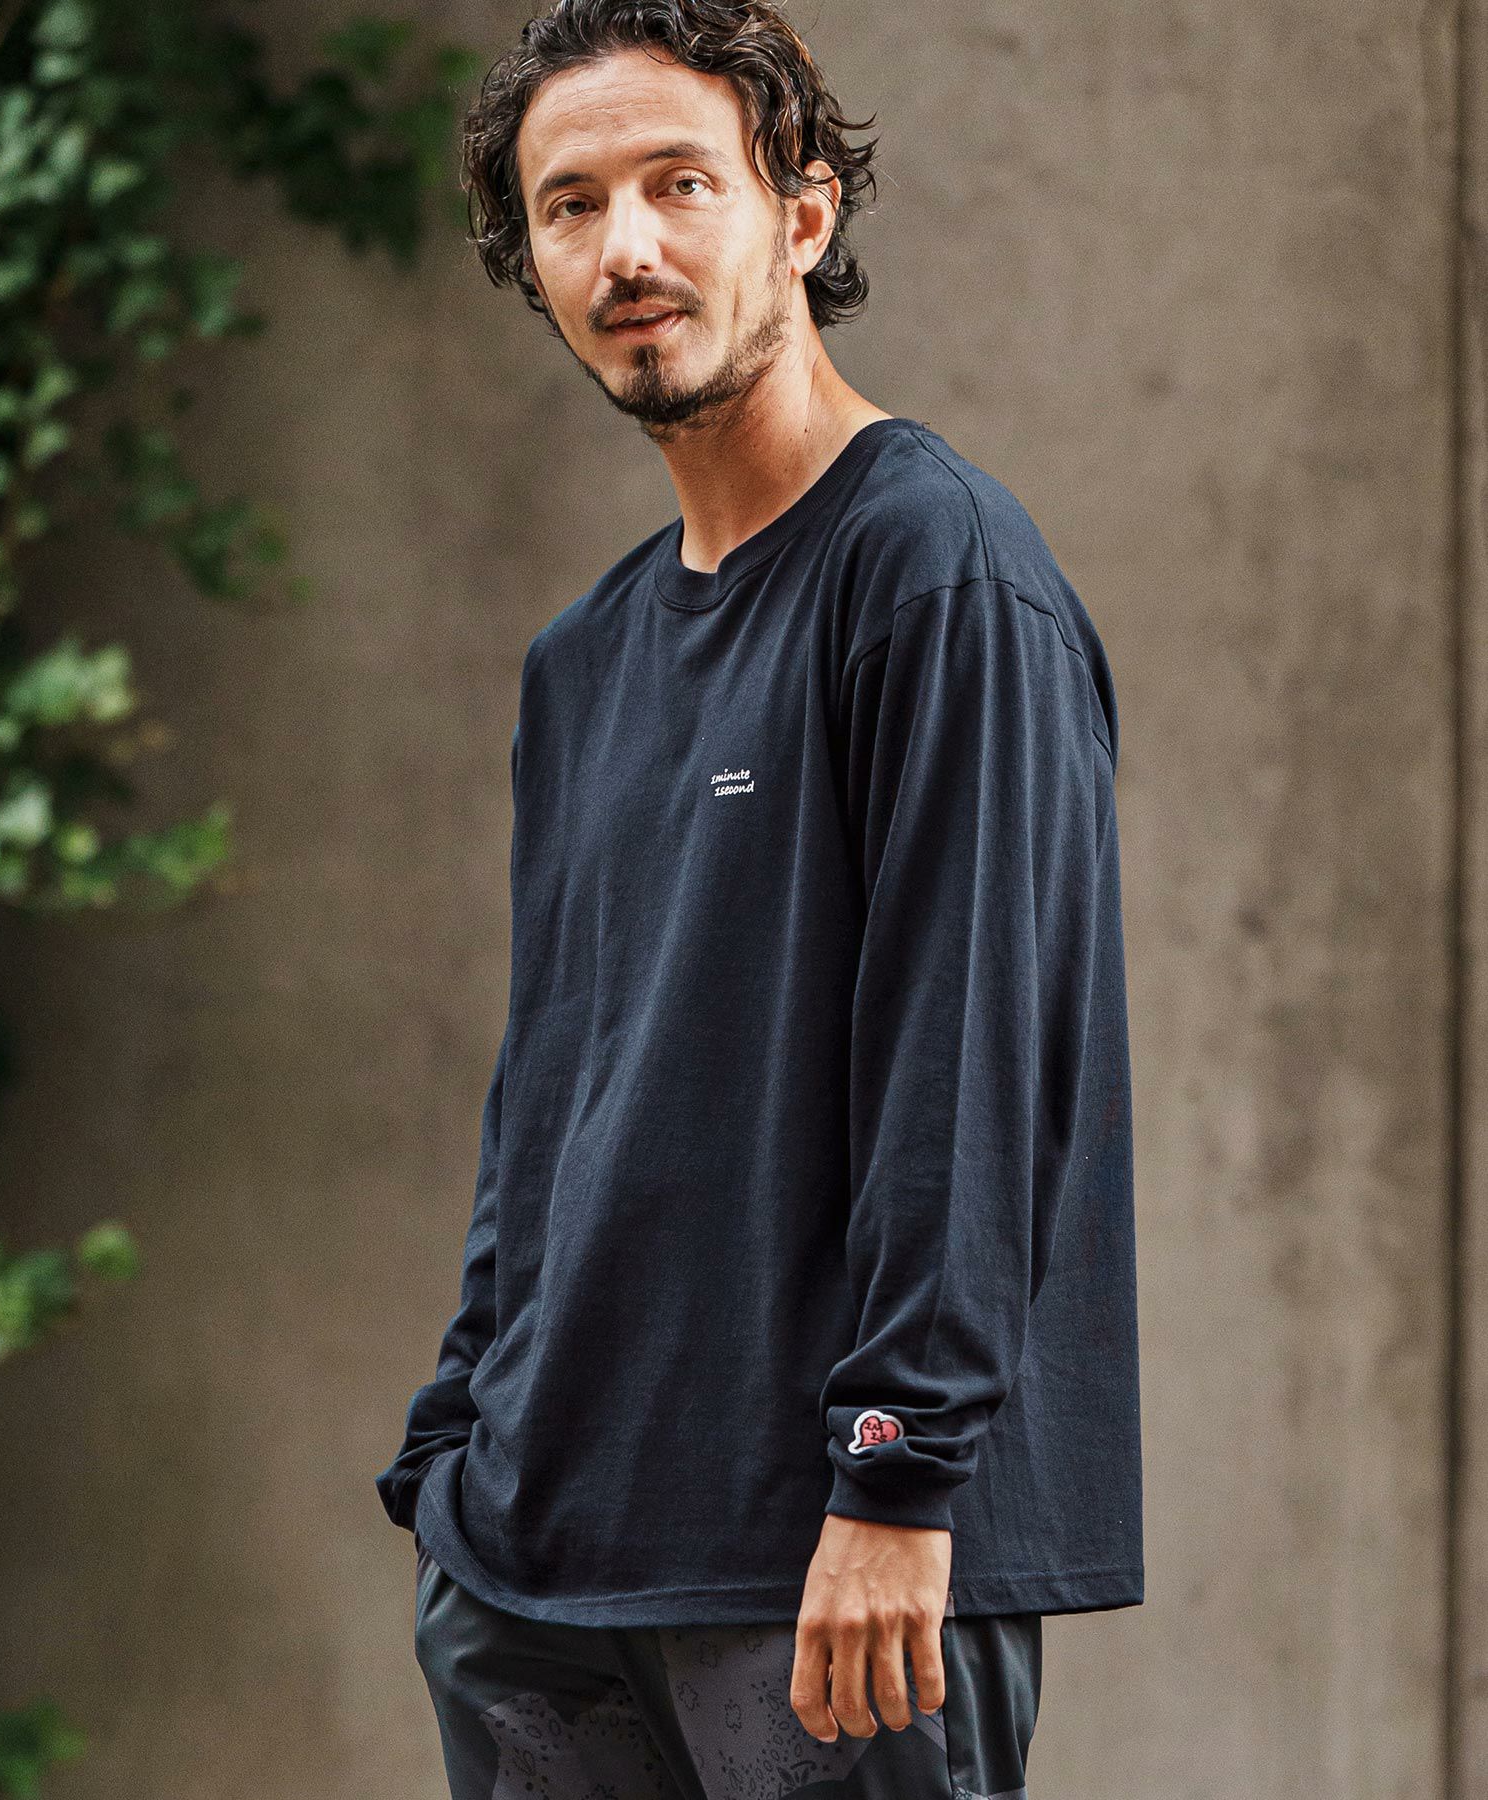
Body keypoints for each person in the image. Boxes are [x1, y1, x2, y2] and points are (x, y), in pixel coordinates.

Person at [375, 2, 1143, 1794]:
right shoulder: (582, 661)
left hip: (821, 1573)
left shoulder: (936, 573)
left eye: (681, 184)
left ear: (801, 212)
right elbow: (552, 1096)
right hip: (534, 1562)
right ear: (531, 264)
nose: (626, 250)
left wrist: (897, 1475)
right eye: (571, 207)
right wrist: (453, 1441)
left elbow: (976, 1059)